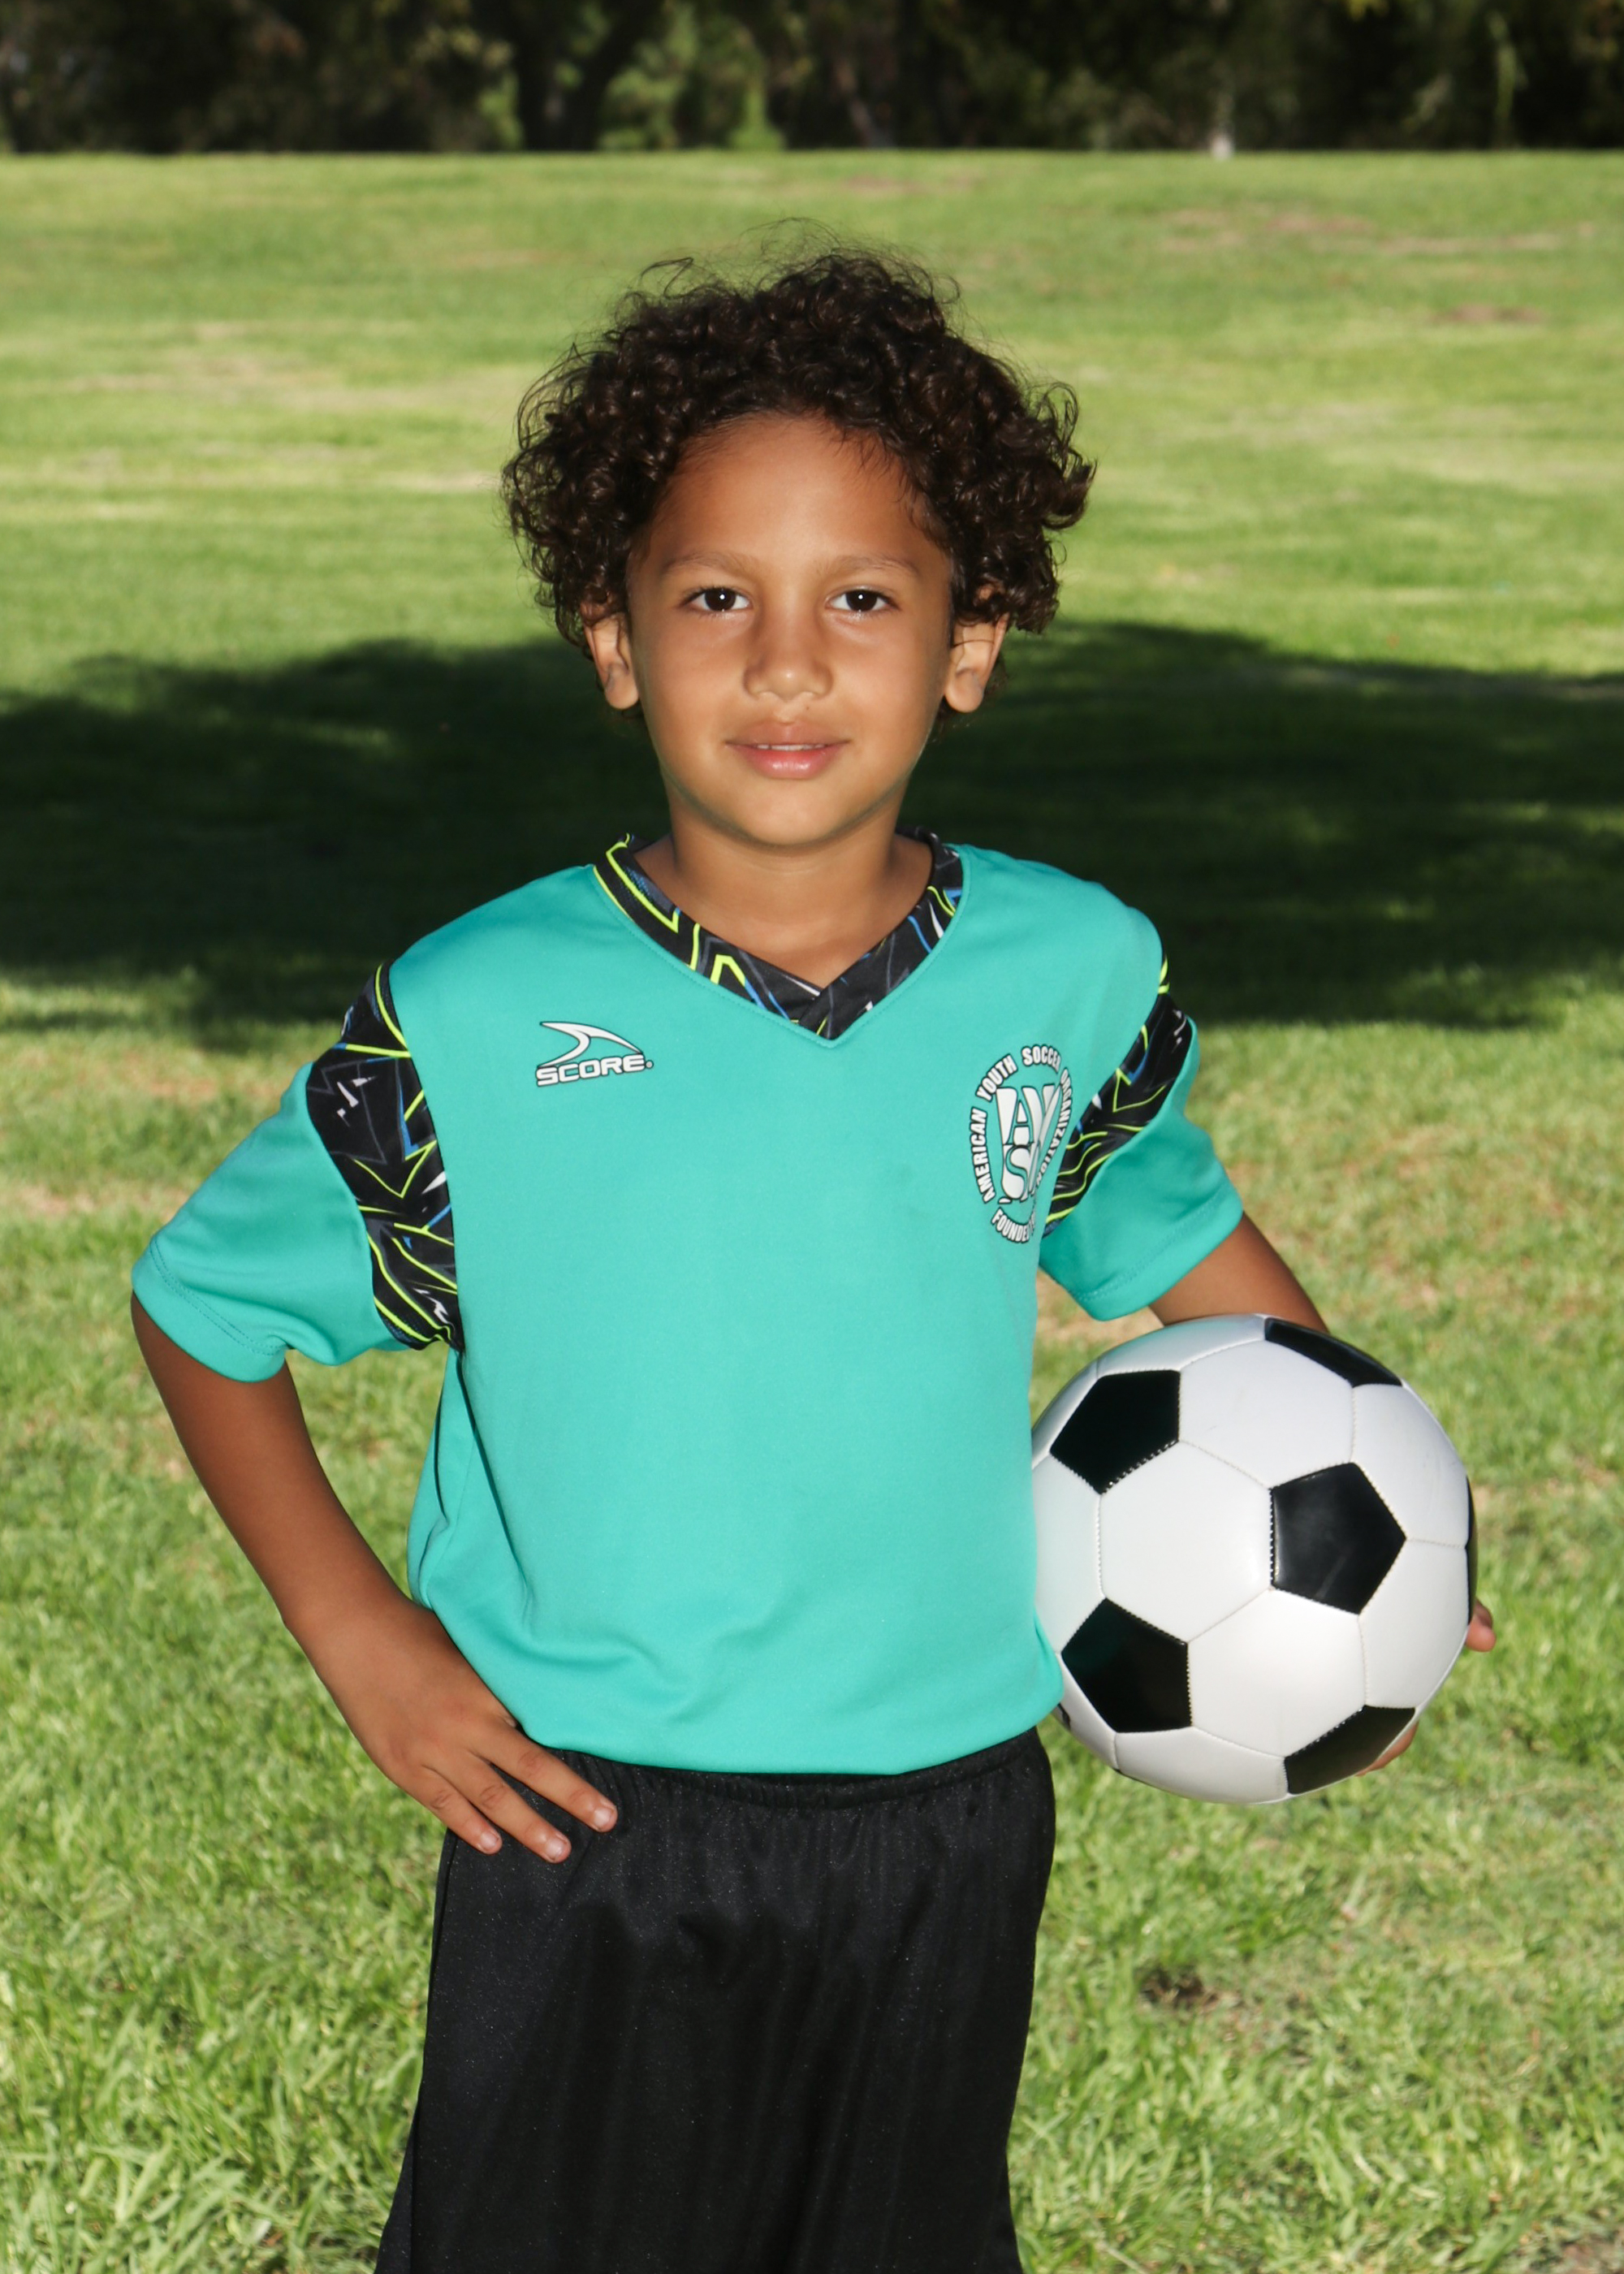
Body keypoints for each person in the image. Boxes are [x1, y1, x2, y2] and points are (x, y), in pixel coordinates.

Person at [131, 246, 1492, 2274]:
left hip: (950, 1810)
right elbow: (205, 1310)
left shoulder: (1065, 968)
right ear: (612, 637)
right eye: (714, 600)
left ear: (970, 639)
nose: (786, 665)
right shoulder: (474, 1016)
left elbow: (1166, 1225)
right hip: (586, 1817)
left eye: (861, 598)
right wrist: (364, 1640)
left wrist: (1367, 1532)